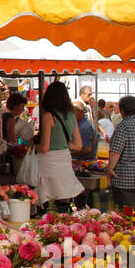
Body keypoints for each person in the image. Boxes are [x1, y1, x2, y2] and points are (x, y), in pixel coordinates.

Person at [36, 81, 85, 210]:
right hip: (64, 160)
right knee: (63, 197)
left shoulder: (48, 116)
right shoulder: (71, 116)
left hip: (49, 163)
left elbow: (45, 147)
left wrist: (33, 147)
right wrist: (63, 144)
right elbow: (78, 145)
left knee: (48, 199)